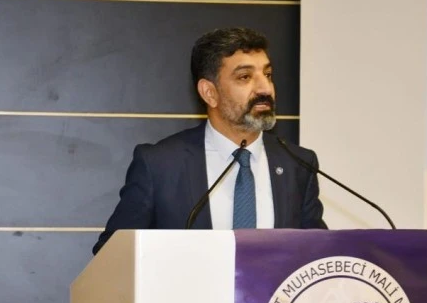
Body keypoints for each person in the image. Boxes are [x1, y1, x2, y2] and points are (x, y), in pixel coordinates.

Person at [93, 27, 326, 256]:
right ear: (209, 93)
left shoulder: (298, 165)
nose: (265, 88)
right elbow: (111, 255)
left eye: (268, 75)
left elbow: (319, 255)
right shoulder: (160, 165)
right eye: (245, 77)